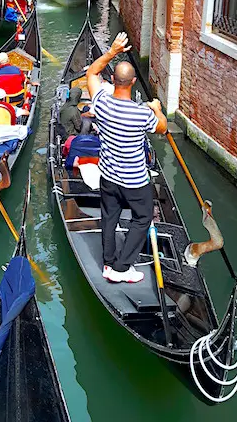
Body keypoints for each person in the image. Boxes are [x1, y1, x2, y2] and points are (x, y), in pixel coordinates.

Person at [87, 32, 168, 284]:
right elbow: (163, 128)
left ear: (112, 79)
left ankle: (108, 263)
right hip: (134, 180)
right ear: (133, 82)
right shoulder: (141, 114)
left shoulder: (100, 102)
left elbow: (91, 73)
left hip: (108, 176)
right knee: (142, 218)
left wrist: (112, 51)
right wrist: (157, 109)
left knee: (109, 218)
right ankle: (122, 268)